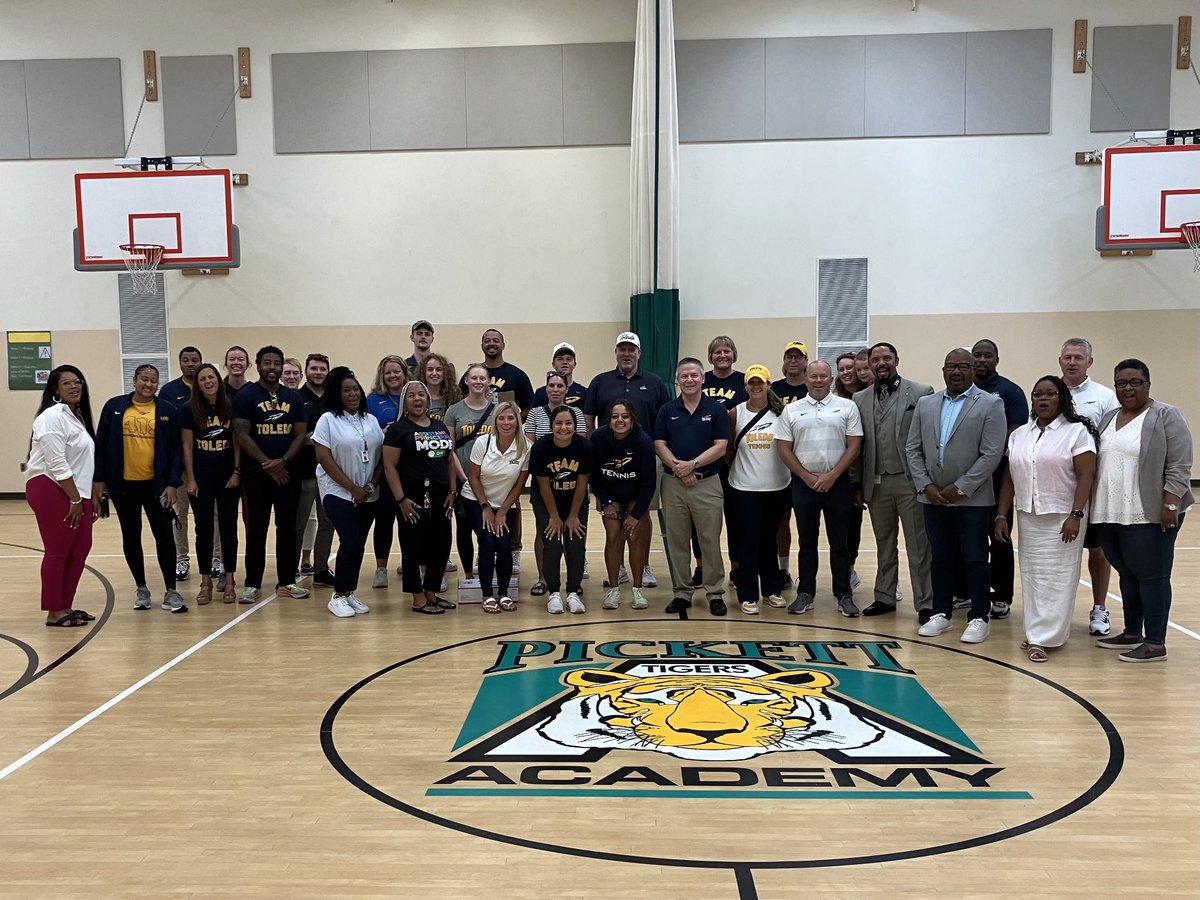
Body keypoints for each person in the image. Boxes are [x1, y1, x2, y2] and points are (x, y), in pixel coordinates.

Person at [1092, 359, 1193, 663]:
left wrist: (1171, 502)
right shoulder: (1109, 417)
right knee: (1127, 573)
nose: (1128, 388)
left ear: (1148, 384)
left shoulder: (1165, 415)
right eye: (1121, 383)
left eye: (1135, 382)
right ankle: (1132, 631)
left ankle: (1155, 642)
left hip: (1149, 511)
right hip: (1110, 511)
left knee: (1152, 576)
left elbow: (1180, 462)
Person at [994, 376, 1098, 662]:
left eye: (1050, 394)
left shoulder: (1077, 432)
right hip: (1029, 515)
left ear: (1061, 398)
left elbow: (1086, 475)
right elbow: (1009, 478)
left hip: (1064, 516)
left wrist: (1076, 515)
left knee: (1059, 578)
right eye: (1037, 394)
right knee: (1033, 577)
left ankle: (1045, 638)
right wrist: (1002, 514)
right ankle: (1035, 632)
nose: (1043, 399)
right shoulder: (1020, 435)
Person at [907, 348, 1006, 643]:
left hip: (971, 500)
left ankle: (979, 616)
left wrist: (960, 487)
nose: (956, 371)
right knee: (940, 558)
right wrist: (926, 486)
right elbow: (913, 450)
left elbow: (992, 454)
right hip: (933, 498)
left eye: (963, 366)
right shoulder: (926, 403)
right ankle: (941, 613)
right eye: (951, 366)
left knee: (975, 559)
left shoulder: (990, 404)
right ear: (943, 369)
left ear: (973, 369)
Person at [851, 342, 934, 623]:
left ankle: (926, 602)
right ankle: (884, 596)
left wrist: (926, 481)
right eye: (876, 359)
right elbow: (857, 446)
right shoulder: (859, 399)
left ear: (897, 360)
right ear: (870, 364)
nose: (881, 363)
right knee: (883, 544)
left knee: (918, 546)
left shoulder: (921, 393)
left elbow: (928, 441)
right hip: (876, 483)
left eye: (887, 357)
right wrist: (857, 484)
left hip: (909, 482)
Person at [774, 360, 863, 617]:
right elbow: (783, 448)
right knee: (807, 542)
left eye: (823, 376)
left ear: (830, 378)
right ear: (806, 379)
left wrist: (832, 475)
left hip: (838, 484)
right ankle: (806, 593)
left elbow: (854, 446)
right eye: (813, 376)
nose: (818, 380)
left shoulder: (847, 407)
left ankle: (843, 594)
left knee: (840, 543)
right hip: (804, 485)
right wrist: (805, 475)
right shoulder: (792, 410)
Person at [95, 364, 187, 613]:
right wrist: (99, 479)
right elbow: (101, 445)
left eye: (154, 380)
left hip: (157, 487)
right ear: (134, 380)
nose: (149, 384)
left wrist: (172, 483)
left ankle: (171, 591)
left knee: (164, 535)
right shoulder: (114, 407)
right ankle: (142, 588)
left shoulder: (167, 410)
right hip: (123, 487)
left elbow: (176, 451)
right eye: (144, 379)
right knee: (131, 535)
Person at [584, 331, 670, 588]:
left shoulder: (655, 383)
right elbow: (589, 417)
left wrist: (660, 453)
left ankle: (642, 567)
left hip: (645, 459)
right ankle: (619, 569)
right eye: (622, 349)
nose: (626, 353)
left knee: (641, 516)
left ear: (639, 353)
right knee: (613, 518)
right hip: (608, 462)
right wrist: (592, 449)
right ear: (616, 353)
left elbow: (663, 419)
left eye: (631, 349)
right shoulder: (600, 381)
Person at [232, 346, 310, 603]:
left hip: (289, 472)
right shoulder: (246, 396)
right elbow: (242, 433)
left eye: (277, 363)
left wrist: (283, 461)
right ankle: (252, 584)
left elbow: (300, 433)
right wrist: (268, 463)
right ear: (258, 364)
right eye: (268, 363)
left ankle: (286, 581)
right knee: (257, 529)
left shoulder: (293, 397)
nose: (273, 367)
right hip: (257, 474)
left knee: (287, 528)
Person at [655, 357, 730, 616]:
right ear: (678, 380)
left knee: (709, 539)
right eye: (684, 376)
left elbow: (721, 446)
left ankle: (715, 593)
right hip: (673, 483)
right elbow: (659, 444)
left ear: (703, 378)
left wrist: (693, 464)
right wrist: (679, 467)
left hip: (707, 483)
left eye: (694, 376)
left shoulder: (716, 409)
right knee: (677, 540)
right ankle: (682, 592)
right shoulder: (667, 410)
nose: (689, 380)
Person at [25, 365, 99, 626]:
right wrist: (76, 500)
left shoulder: (75, 416)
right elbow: (57, 464)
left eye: (77, 381)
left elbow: (82, 463)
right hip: (51, 488)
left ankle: (65, 606)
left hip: (75, 491)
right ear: (55, 389)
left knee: (80, 549)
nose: (74, 386)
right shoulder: (51, 416)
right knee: (58, 551)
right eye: (67, 383)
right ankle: (54, 610)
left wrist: (90, 496)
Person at [1058, 337, 1119, 637]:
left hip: (1092, 488)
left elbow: (1112, 440)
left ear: (1089, 362)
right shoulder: (1049, 392)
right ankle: (1057, 610)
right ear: (1060, 361)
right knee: (1059, 550)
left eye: (1078, 357)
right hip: (1056, 488)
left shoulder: (1105, 397)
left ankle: (1099, 607)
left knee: (1097, 549)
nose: (1072, 362)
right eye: (1067, 357)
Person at [312, 366, 384, 618]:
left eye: (356, 389)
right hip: (337, 492)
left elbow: (380, 458)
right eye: (346, 390)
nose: (353, 394)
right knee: (350, 540)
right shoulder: (328, 420)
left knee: (358, 544)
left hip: (368, 492)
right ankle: (338, 595)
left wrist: (370, 486)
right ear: (337, 394)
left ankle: (350, 591)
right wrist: (352, 488)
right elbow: (324, 458)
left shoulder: (371, 420)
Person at [384, 380, 457, 615]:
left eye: (421, 395)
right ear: (404, 401)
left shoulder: (440, 426)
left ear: (428, 399)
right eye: (412, 395)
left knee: (441, 544)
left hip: (441, 496)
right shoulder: (398, 429)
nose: (417, 399)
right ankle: (417, 598)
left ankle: (431, 593)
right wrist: (401, 500)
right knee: (413, 546)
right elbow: (389, 467)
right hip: (411, 498)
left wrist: (452, 491)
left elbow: (448, 460)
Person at [971, 338, 1029, 619]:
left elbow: (1014, 435)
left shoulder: (1011, 392)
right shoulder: (962, 390)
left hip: (999, 479)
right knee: (969, 539)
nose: (981, 360)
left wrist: (981, 455)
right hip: (966, 480)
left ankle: (1002, 595)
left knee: (1000, 537)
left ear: (996, 359)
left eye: (987, 355)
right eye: (977, 355)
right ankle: (969, 592)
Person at [726, 365, 791, 614]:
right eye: (751, 383)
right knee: (749, 540)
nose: (756, 387)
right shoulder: (735, 413)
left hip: (777, 486)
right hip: (744, 488)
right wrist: (744, 469)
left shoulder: (782, 414)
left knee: (769, 540)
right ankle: (748, 594)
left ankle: (772, 590)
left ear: (768, 384)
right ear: (745, 387)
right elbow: (728, 450)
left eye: (760, 382)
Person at [180, 363, 242, 605]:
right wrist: (191, 478)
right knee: (203, 529)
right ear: (197, 384)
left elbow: (237, 442)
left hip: (227, 476)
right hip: (201, 477)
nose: (208, 381)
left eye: (211, 377)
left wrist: (237, 471)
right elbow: (186, 446)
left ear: (219, 380)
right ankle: (205, 581)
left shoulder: (230, 406)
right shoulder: (189, 409)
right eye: (202, 378)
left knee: (228, 528)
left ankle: (229, 579)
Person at [462, 401, 530, 613]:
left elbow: (520, 484)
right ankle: (487, 595)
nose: (506, 422)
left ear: (518, 422)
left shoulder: (526, 447)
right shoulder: (483, 442)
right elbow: (472, 477)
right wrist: (486, 508)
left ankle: (503, 594)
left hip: (504, 504)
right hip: (475, 499)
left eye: (511, 418)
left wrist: (501, 512)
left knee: (504, 545)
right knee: (488, 542)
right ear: (495, 421)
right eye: (501, 418)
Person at [525, 371, 587, 596]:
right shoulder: (535, 414)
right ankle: (544, 579)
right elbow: (529, 446)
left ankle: (573, 583)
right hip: (545, 482)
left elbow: (577, 446)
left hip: (571, 483)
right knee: (547, 535)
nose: (555, 389)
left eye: (560, 385)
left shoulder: (577, 415)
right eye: (551, 385)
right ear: (546, 388)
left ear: (566, 389)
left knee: (574, 536)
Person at [591, 399, 656, 611]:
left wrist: (636, 514)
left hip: (635, 494)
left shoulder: (643, 441)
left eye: (625, 416)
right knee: (613, 536)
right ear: (609, 420)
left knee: (634, 535)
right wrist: (606, 503)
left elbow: (649, 483)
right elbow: (594, 476)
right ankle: (614, 588)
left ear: (632, 419)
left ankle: (637, 589)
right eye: (615, 416)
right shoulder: (599, 438)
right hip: (611, 493)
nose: (620, 420)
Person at [531, 407, 594, 614]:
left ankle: (573, 592)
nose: (563, 428)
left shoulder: (584, 447)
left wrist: (574, 516)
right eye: (558, 423)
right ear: (551, 426)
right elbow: (543, 485)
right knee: (552, 543)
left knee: (575, 544)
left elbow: (582, 482)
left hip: (574, 501)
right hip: (546, 502)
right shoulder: (541, 448)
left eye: (568, 423)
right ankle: (554, 594)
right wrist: (555, 517)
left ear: (575, 426)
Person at [444, 363, 495, 587]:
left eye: (482, 378)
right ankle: (468, 575)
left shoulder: (497, 410)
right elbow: (449, 448)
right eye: (473, 378)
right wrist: (464, 478)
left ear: (488, 383)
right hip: (463, 480)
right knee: (463, 529)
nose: (477, 382)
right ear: (466, 381)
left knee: (488, 529)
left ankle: (486, 569)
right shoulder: (454, 411)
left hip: (491, 483)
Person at [161, 346, 205, 585]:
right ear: (179, 363)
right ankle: (182, 558)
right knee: (180, 512)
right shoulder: (169, 391)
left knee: (212, 515)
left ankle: (215, 558)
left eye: (195, 360)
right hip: (179, 464)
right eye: (186, 360)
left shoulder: (209, 387)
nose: (190, 364)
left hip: (207, 463)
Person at [365, 355, 410, 588]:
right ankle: (381, 569)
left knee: (408, 520)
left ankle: (408, 562)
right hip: (383, 469)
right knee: (383, 521)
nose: (393, 376)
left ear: (404, 373)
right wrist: (384, 431)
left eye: (396, 372)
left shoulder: (413, 395)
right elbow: (364, 431)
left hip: (409, 470)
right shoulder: (373, 400)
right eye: (388, 373)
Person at [771, 341, 809, 587]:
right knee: (781, 520)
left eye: (798, 357)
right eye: (789, 357)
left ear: (806, 361)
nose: (793, 361)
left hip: (808, 464)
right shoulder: (773, 388)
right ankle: (782, 569)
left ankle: (808, 572)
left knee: (807, 522)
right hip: (781, 464)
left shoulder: (814, 387)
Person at [295, 353, 334, 583]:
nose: (318, 372)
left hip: (330, 473)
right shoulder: (297, 398)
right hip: (305, 471)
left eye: (322, 369)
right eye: (314, 368)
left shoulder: (333, 398)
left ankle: (320, 569)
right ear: (306, 372)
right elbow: (300, 435)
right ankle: (291, 568)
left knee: (327, 522)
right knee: (299, 523)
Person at [458, 328, 535, 412]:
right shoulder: (472, 375)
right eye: (487, 341)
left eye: (496, 341)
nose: (491, 343)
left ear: (503, 345)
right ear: (482, 346)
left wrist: (515, 422)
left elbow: (529, 406)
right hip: (476, 425)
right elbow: (458, 403)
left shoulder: (517, 375)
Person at [532, 343, 588, 410]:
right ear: (553, 364)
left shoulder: (584, 393)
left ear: (574, 364)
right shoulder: (541, 393)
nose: (565, 362)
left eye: (569, 359)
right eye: (560, 359)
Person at [703, 335, 747, 409]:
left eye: (726, 351)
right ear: (711, 356)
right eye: (718, 352)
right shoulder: (701, 380)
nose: (722, 355)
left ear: (734, 354)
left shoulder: (745, 380)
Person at [417, 353, 460, 421]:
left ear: (445, 372)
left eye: (439, 369)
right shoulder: (417, 398)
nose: (434, 373)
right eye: (430, 369)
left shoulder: (453, 398)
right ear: (423, 372)